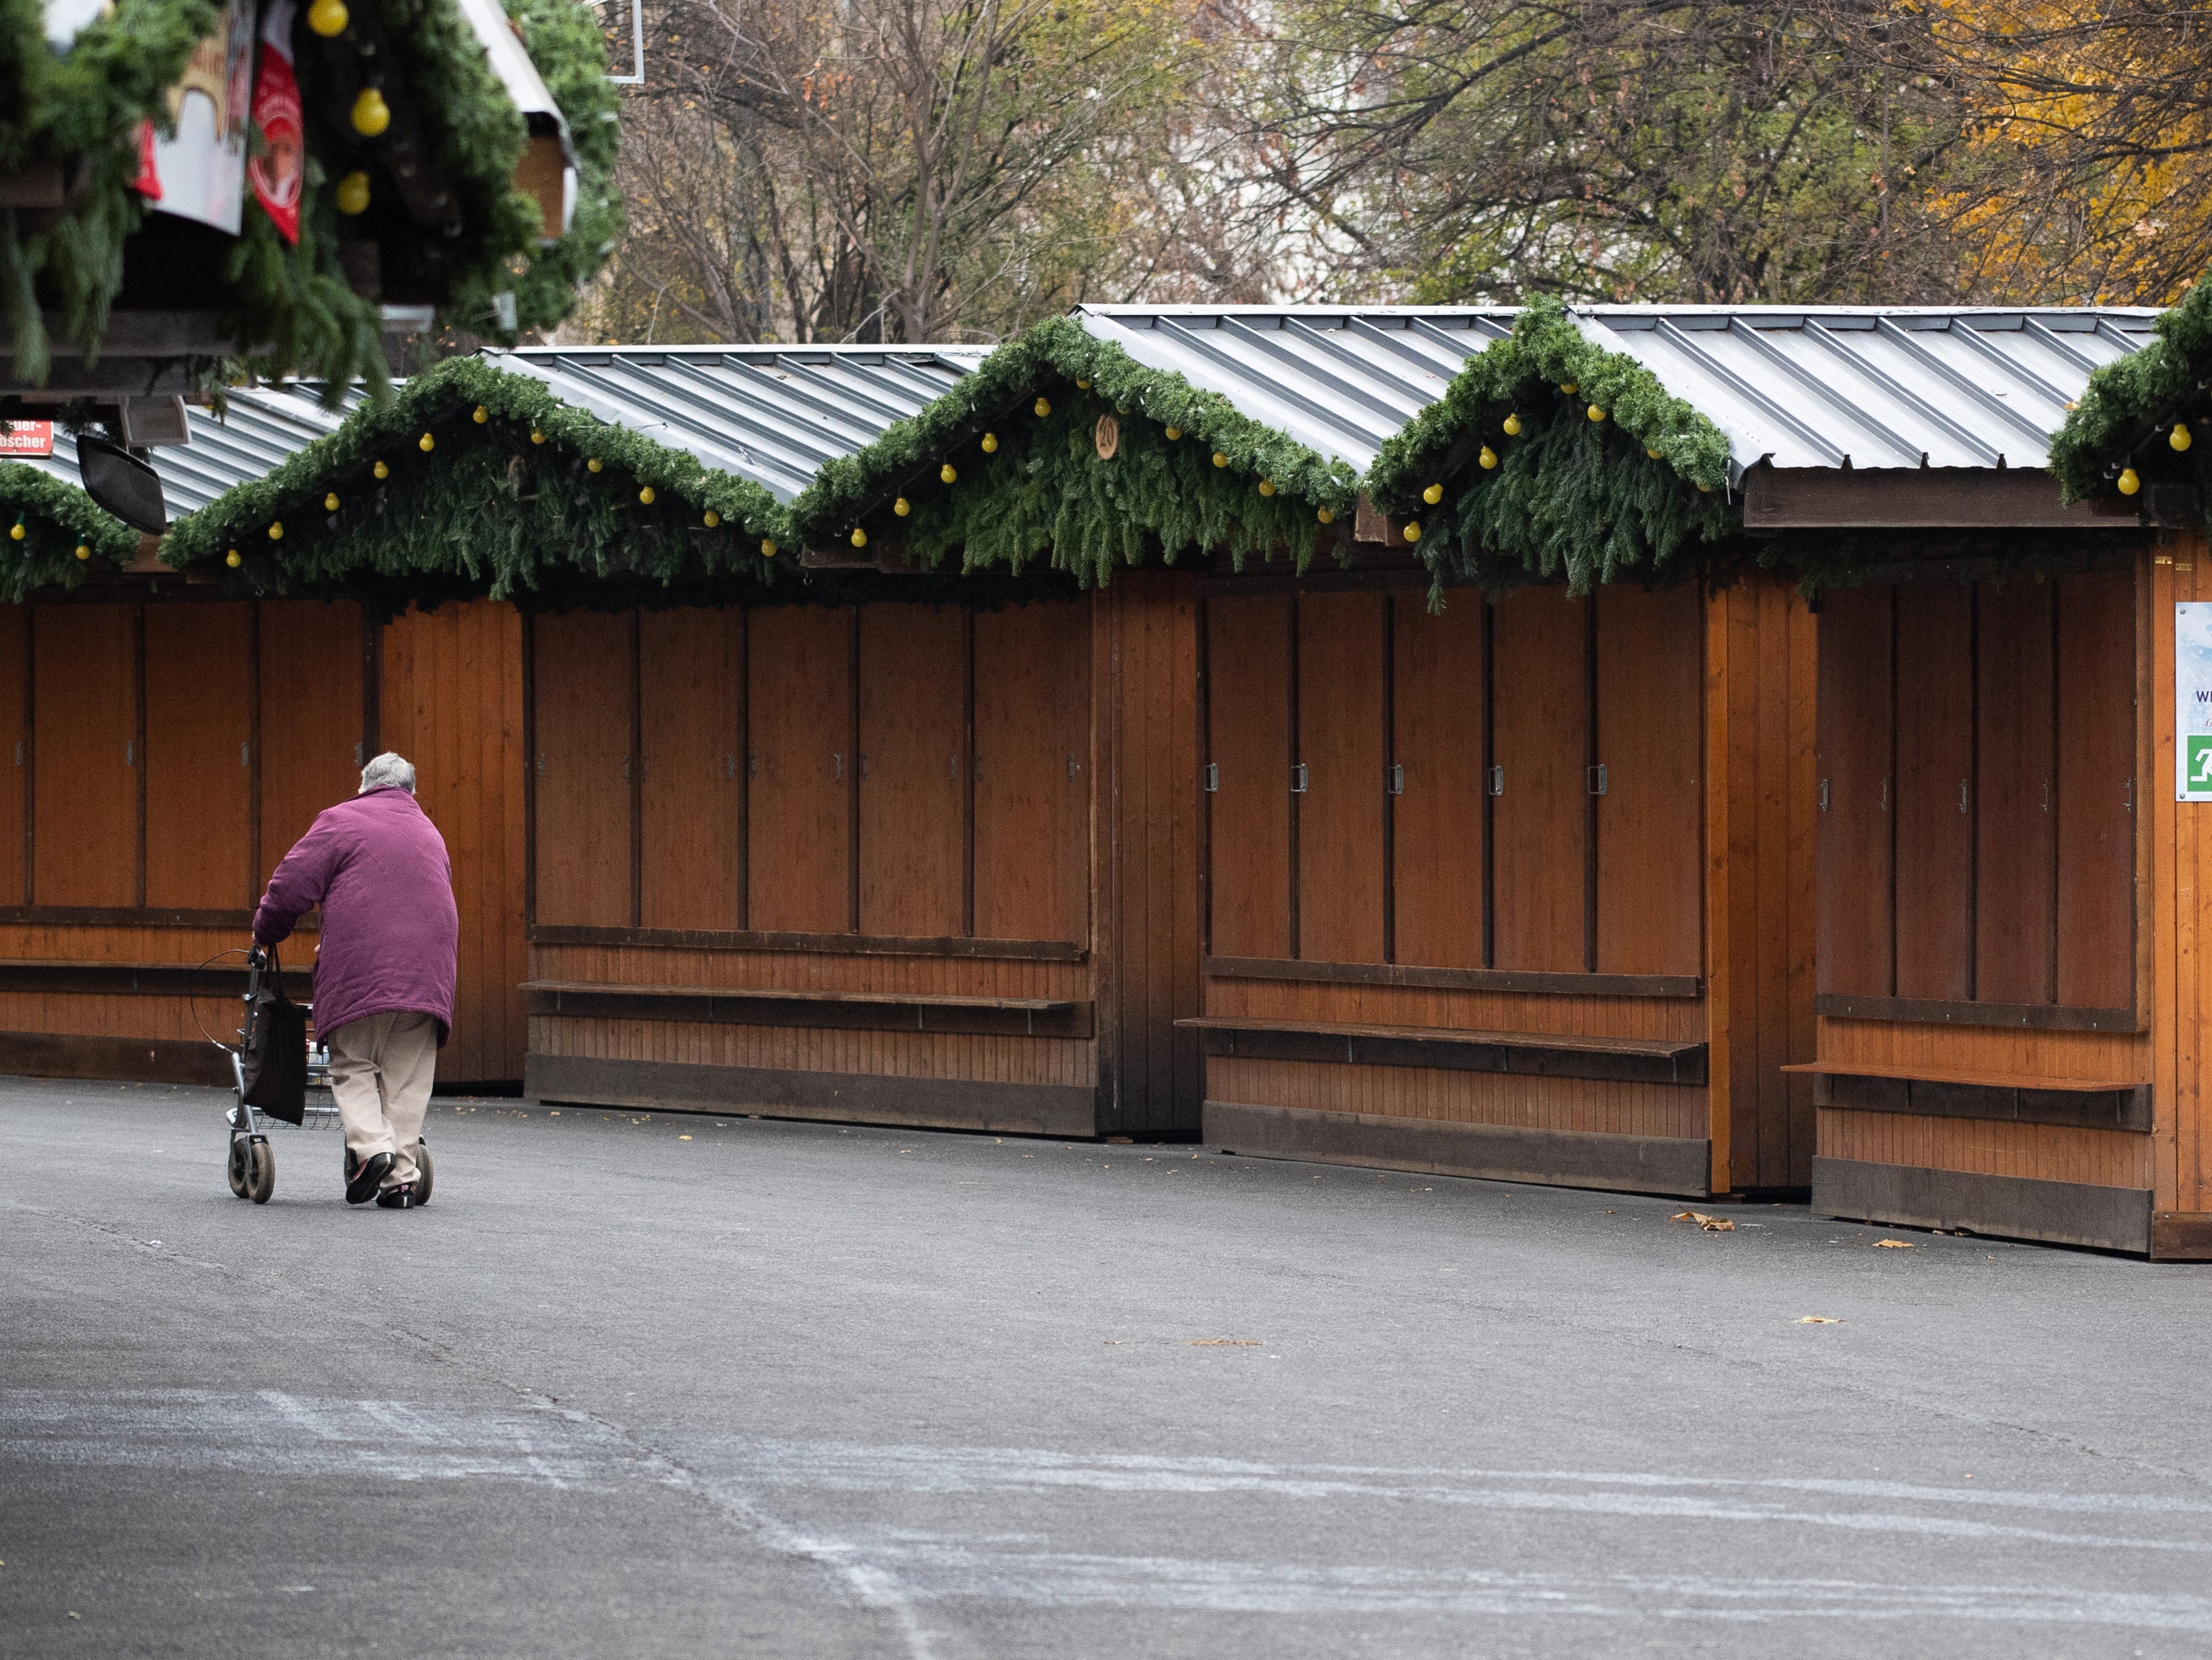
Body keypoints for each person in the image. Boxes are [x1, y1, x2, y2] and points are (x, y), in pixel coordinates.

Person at [253, 752, 458, 1209]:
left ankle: (373, 1150)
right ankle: (401, 1180)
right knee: (407, 1079)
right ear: (412, 792)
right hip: (429, 975)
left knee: (354, 1063)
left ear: (364, 785)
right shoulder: (430, 833)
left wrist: (266, 931)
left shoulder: (340, 821)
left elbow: (289, 887)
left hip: (361, 972)